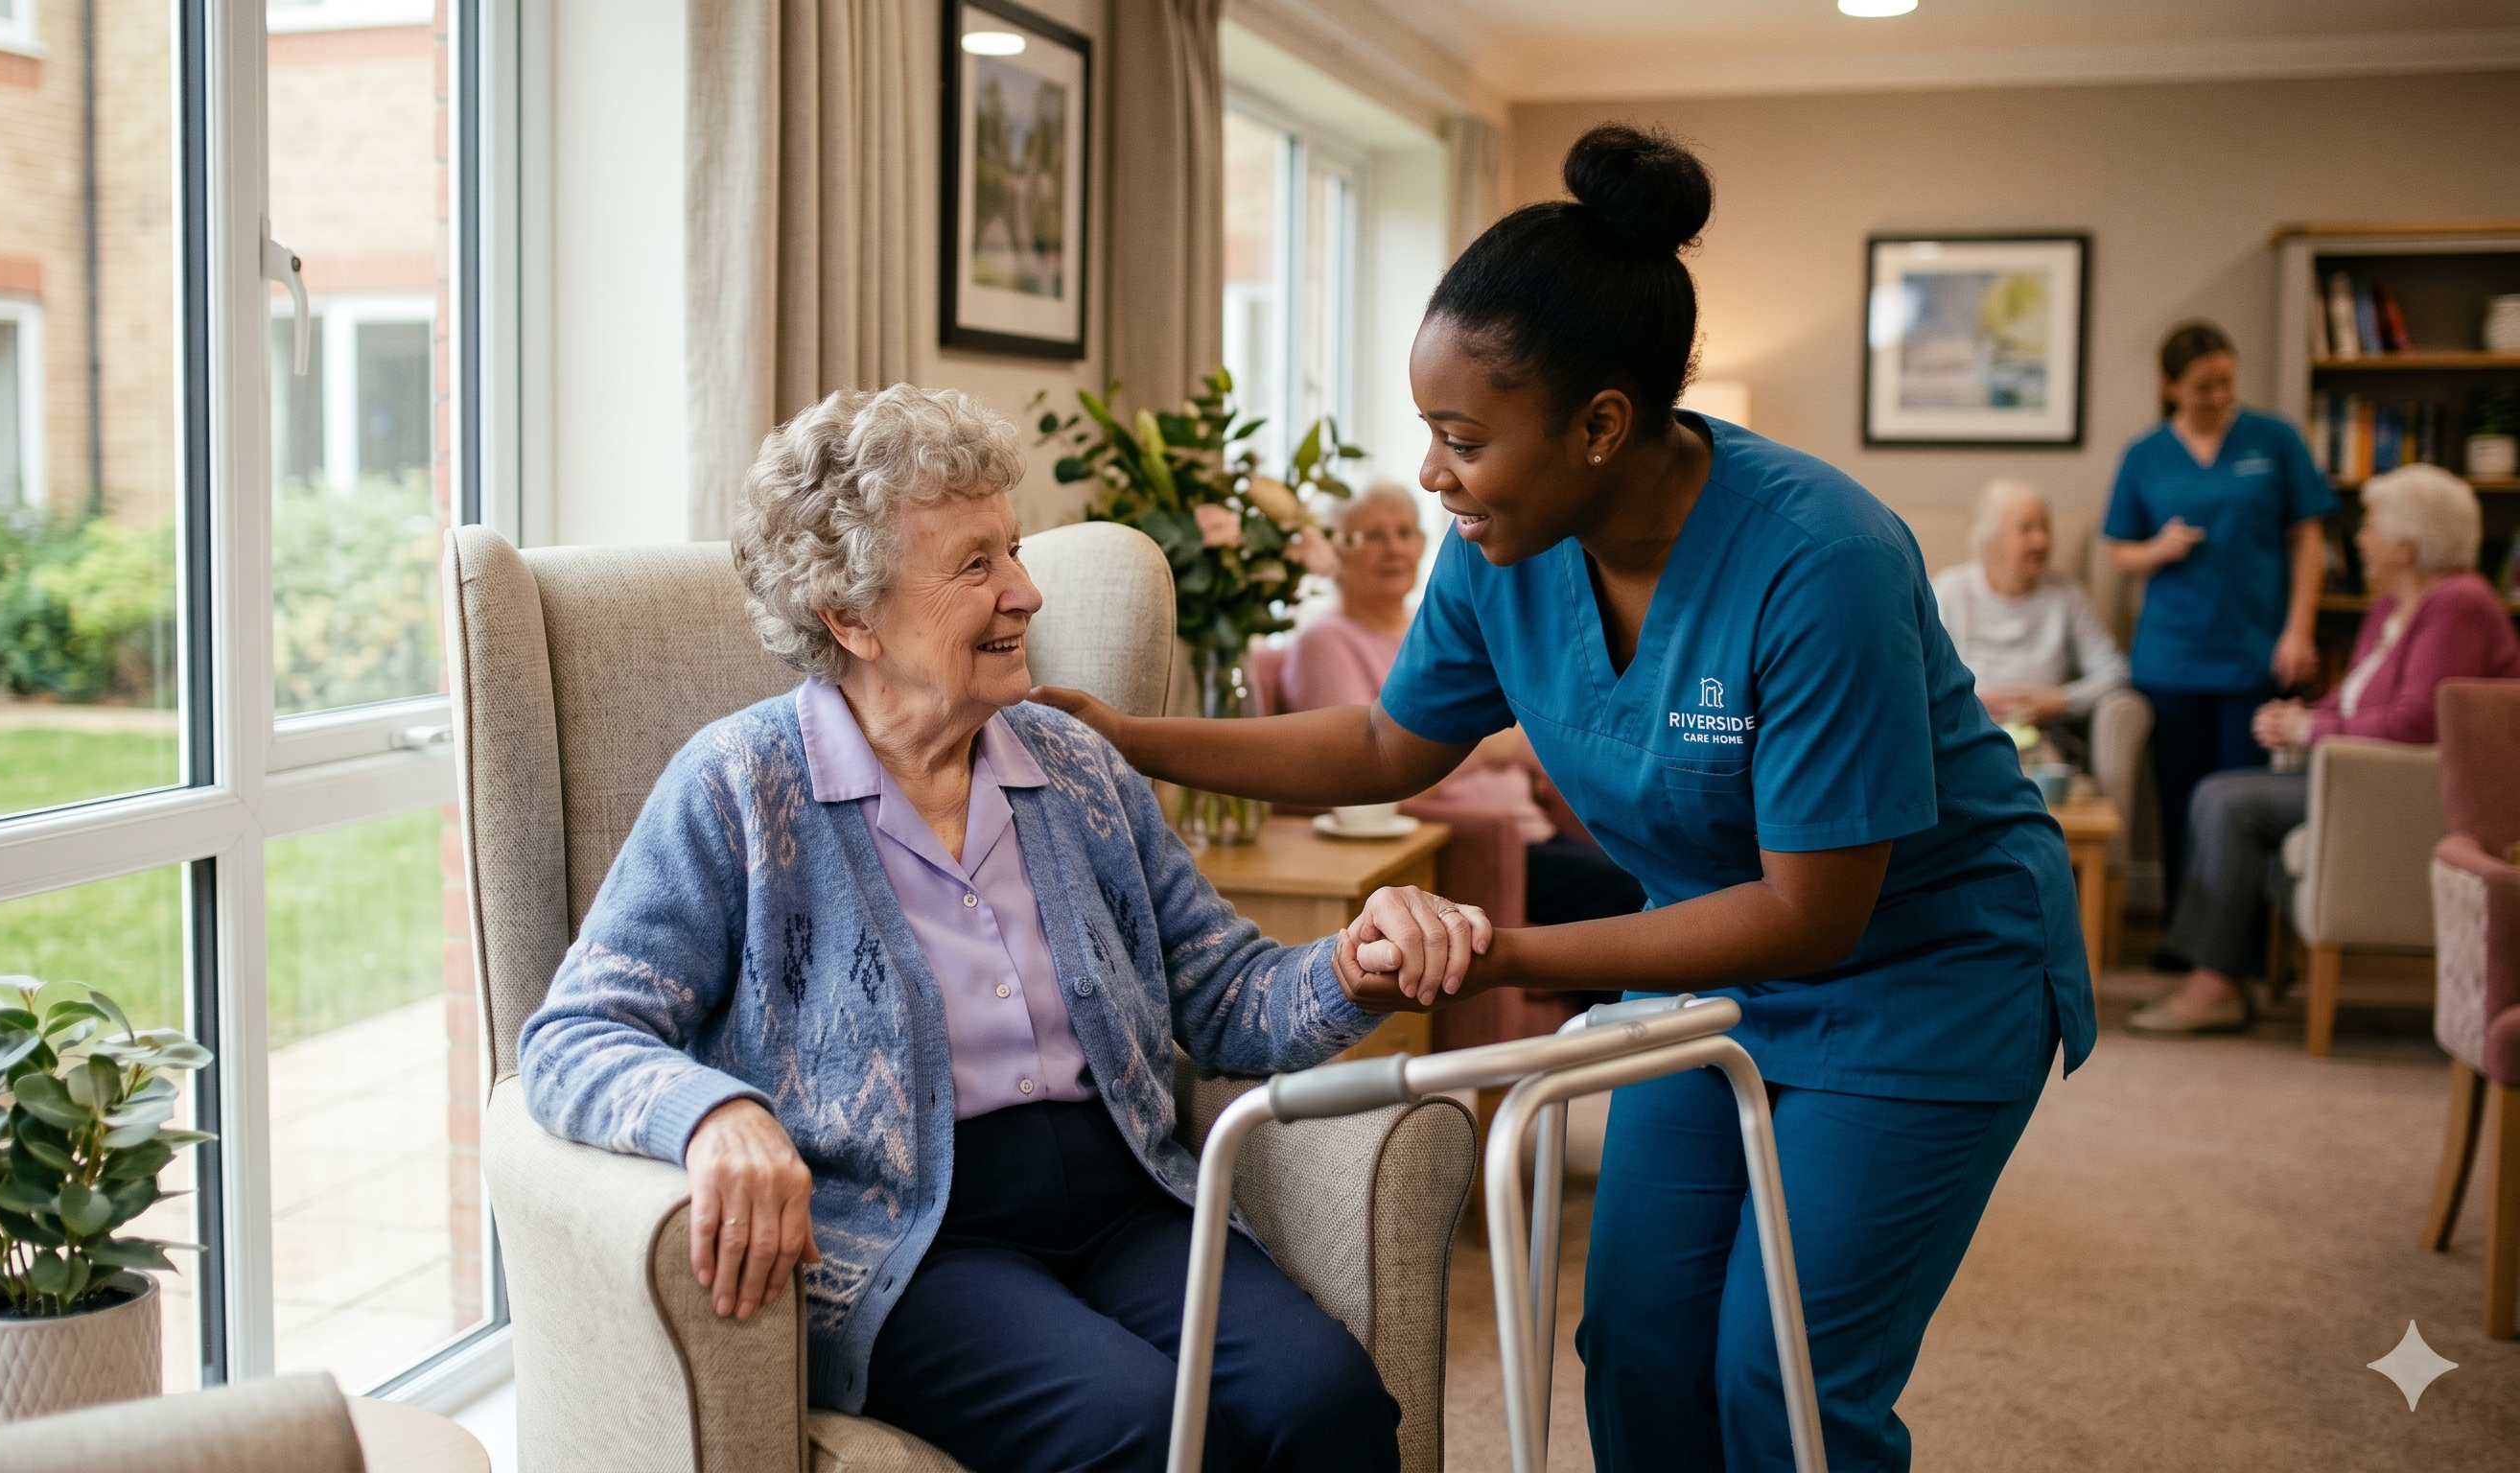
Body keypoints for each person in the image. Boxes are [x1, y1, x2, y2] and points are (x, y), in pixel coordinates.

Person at [1037, 126, 2095, 1473]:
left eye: (1461, 439)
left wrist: (1500, 954)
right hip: (1708, 960)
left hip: (1924, 979)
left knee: (1783, 1386)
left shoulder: (1820, 563)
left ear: (1600, 425)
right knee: (1640, 1348)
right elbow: (1381, 740)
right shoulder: (1504, 545)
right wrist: (1130, 738)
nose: (1432, 475)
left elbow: (1809, 915)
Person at [517, 385, 1483, 1473]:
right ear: (851, 617)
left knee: (1326, 1402)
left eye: (1012, 552)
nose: (1024, 592)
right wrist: (712, 1116)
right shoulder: (738, 788)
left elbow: (1223, 996)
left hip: (1124, 1199)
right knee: (1134, 1430)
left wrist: (1355, 969)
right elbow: (572, 1034)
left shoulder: (1072, 767)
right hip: (910, 1240)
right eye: (975, 566)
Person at [2132, 464, 2520, 1034]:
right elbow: (2355, 695)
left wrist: (2309, 732)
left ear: (2407, 547)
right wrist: (2305, 716)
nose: (2359, 539)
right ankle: (2214, 975)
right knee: (2221, 794)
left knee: (2225, 800)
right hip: (2364, 781)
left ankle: (2214, 984)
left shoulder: (2458, 605)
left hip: (2419, 794)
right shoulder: (2392, 605)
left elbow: (2419, 720)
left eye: (2370, 527)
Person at [1284, 482, 1646, 924]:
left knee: (1661, 878)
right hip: (1470, 844)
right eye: (1374, 536)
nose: (1395, 549)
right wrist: (1493, 749)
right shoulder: (1326, 640)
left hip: (1532, 827)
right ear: (1337, 550)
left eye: (1405, 532)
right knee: (1638, 897)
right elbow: (1358, 786)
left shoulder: (1433, 626)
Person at [2102, 322, 2336, 919]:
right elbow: (2120, 550)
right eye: (2204, 386)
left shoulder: (2274, 440)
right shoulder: (2145, 454)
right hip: (2172, 659)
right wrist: (2160, 549)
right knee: (2183, 802)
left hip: (2254, 651)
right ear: (2171, 385)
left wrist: (2299, 629)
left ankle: (2243, 942)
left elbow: (2308, 540)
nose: (2217, 396)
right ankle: (2187, 936)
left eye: (2227, 383)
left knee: (2243, 800)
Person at [1931, 479, 2128, 745]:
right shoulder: (1951, 591)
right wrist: (1969, 700)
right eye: (2026, 529)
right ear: (1993, 540)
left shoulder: (2066, 595)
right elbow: (1920, 673)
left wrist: (2059, 702)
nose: (2041, 540)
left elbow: (2114, 672)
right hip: (1964, 733)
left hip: (2046, 738)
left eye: (2045, 527)